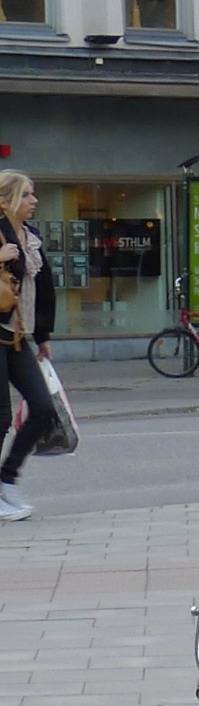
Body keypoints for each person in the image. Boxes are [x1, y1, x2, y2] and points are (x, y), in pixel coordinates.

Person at [0, 171, 56, 521]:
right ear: (6, 200)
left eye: (34, 195)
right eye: (26, 195)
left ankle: (6, 480)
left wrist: (44, 336)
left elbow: (44, 288)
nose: (34, 201)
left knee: (42, 408)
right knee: (1, 418)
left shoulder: (31, 237)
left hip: (18, 335)